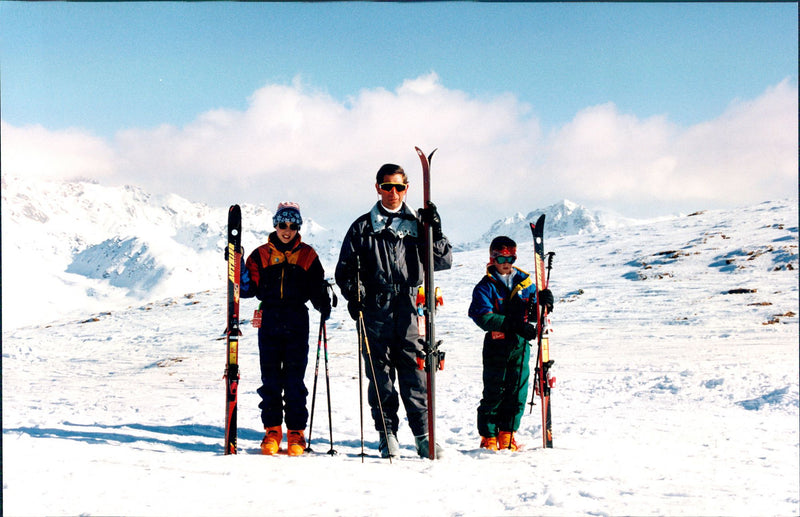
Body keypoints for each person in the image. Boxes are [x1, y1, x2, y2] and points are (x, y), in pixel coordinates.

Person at [335, 163, 453, 458]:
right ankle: (387, 434)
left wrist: (435, 230)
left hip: (411, 308)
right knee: (380, 374)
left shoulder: (418, 224)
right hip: (376, 309)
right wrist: (355, 293)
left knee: (415, 372)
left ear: (406, 188)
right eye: (387, 186)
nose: (393, 193)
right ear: (378, 188)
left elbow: (442, 261)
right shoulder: (362, 227)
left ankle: (424, 436)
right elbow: (344, 270)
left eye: (399, 187)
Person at [240, 202, 331, 456]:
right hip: (268, 318)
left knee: (293, 379)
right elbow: (248, 290)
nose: (287, 230)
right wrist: (237, 267)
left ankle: (295, 433)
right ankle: (272, 430)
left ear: (298, 227)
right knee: (270, 378)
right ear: (275, 225)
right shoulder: (260, 255)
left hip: (296, 320)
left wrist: (324, 301)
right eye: (283, 225)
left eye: (292, 226)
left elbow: (316, 288)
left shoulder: (308, 255)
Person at [467, 236, 554, 451]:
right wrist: (515, 325)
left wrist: (545, 303)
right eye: (500, 257)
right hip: (496, 345)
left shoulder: (525, 284)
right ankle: (488, 435)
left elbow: (534, 314)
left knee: (517, 390)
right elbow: (483, 317)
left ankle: (508, 433)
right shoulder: (485, 286)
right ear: (492, 258)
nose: (506, 262)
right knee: (495, 390)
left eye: (510, 257)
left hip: (520, 346)